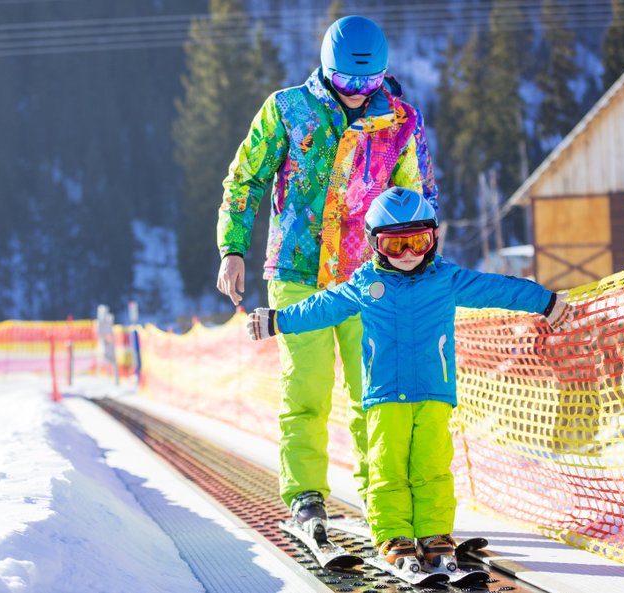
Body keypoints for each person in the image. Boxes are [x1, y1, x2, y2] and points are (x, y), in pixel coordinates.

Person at [245, 187, 573, 575]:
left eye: (418, 241)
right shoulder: (365, 284)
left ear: (433, 238)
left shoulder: (446, 279)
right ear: (374, 244)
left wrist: (545, 302)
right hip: (384, 396)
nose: (408, 255)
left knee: (432, 465)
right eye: (394, 245)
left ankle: (434, 534)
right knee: (388, 469)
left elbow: (497, 288)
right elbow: (322, 307)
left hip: (435, 392)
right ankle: (393, 534)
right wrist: (278, 320)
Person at [216, 15, 439, 539]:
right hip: (299, 272)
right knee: (307, 392)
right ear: (326, 68)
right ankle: (307, 496)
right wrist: (232, 249)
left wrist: (422, 262)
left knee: (377, 394)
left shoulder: (401, 121)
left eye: (369, 82)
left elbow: (419, 196)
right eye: (347, 82)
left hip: (372, 277)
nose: (358, 93)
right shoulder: (288, 109)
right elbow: (244, 180)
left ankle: (381, 495)